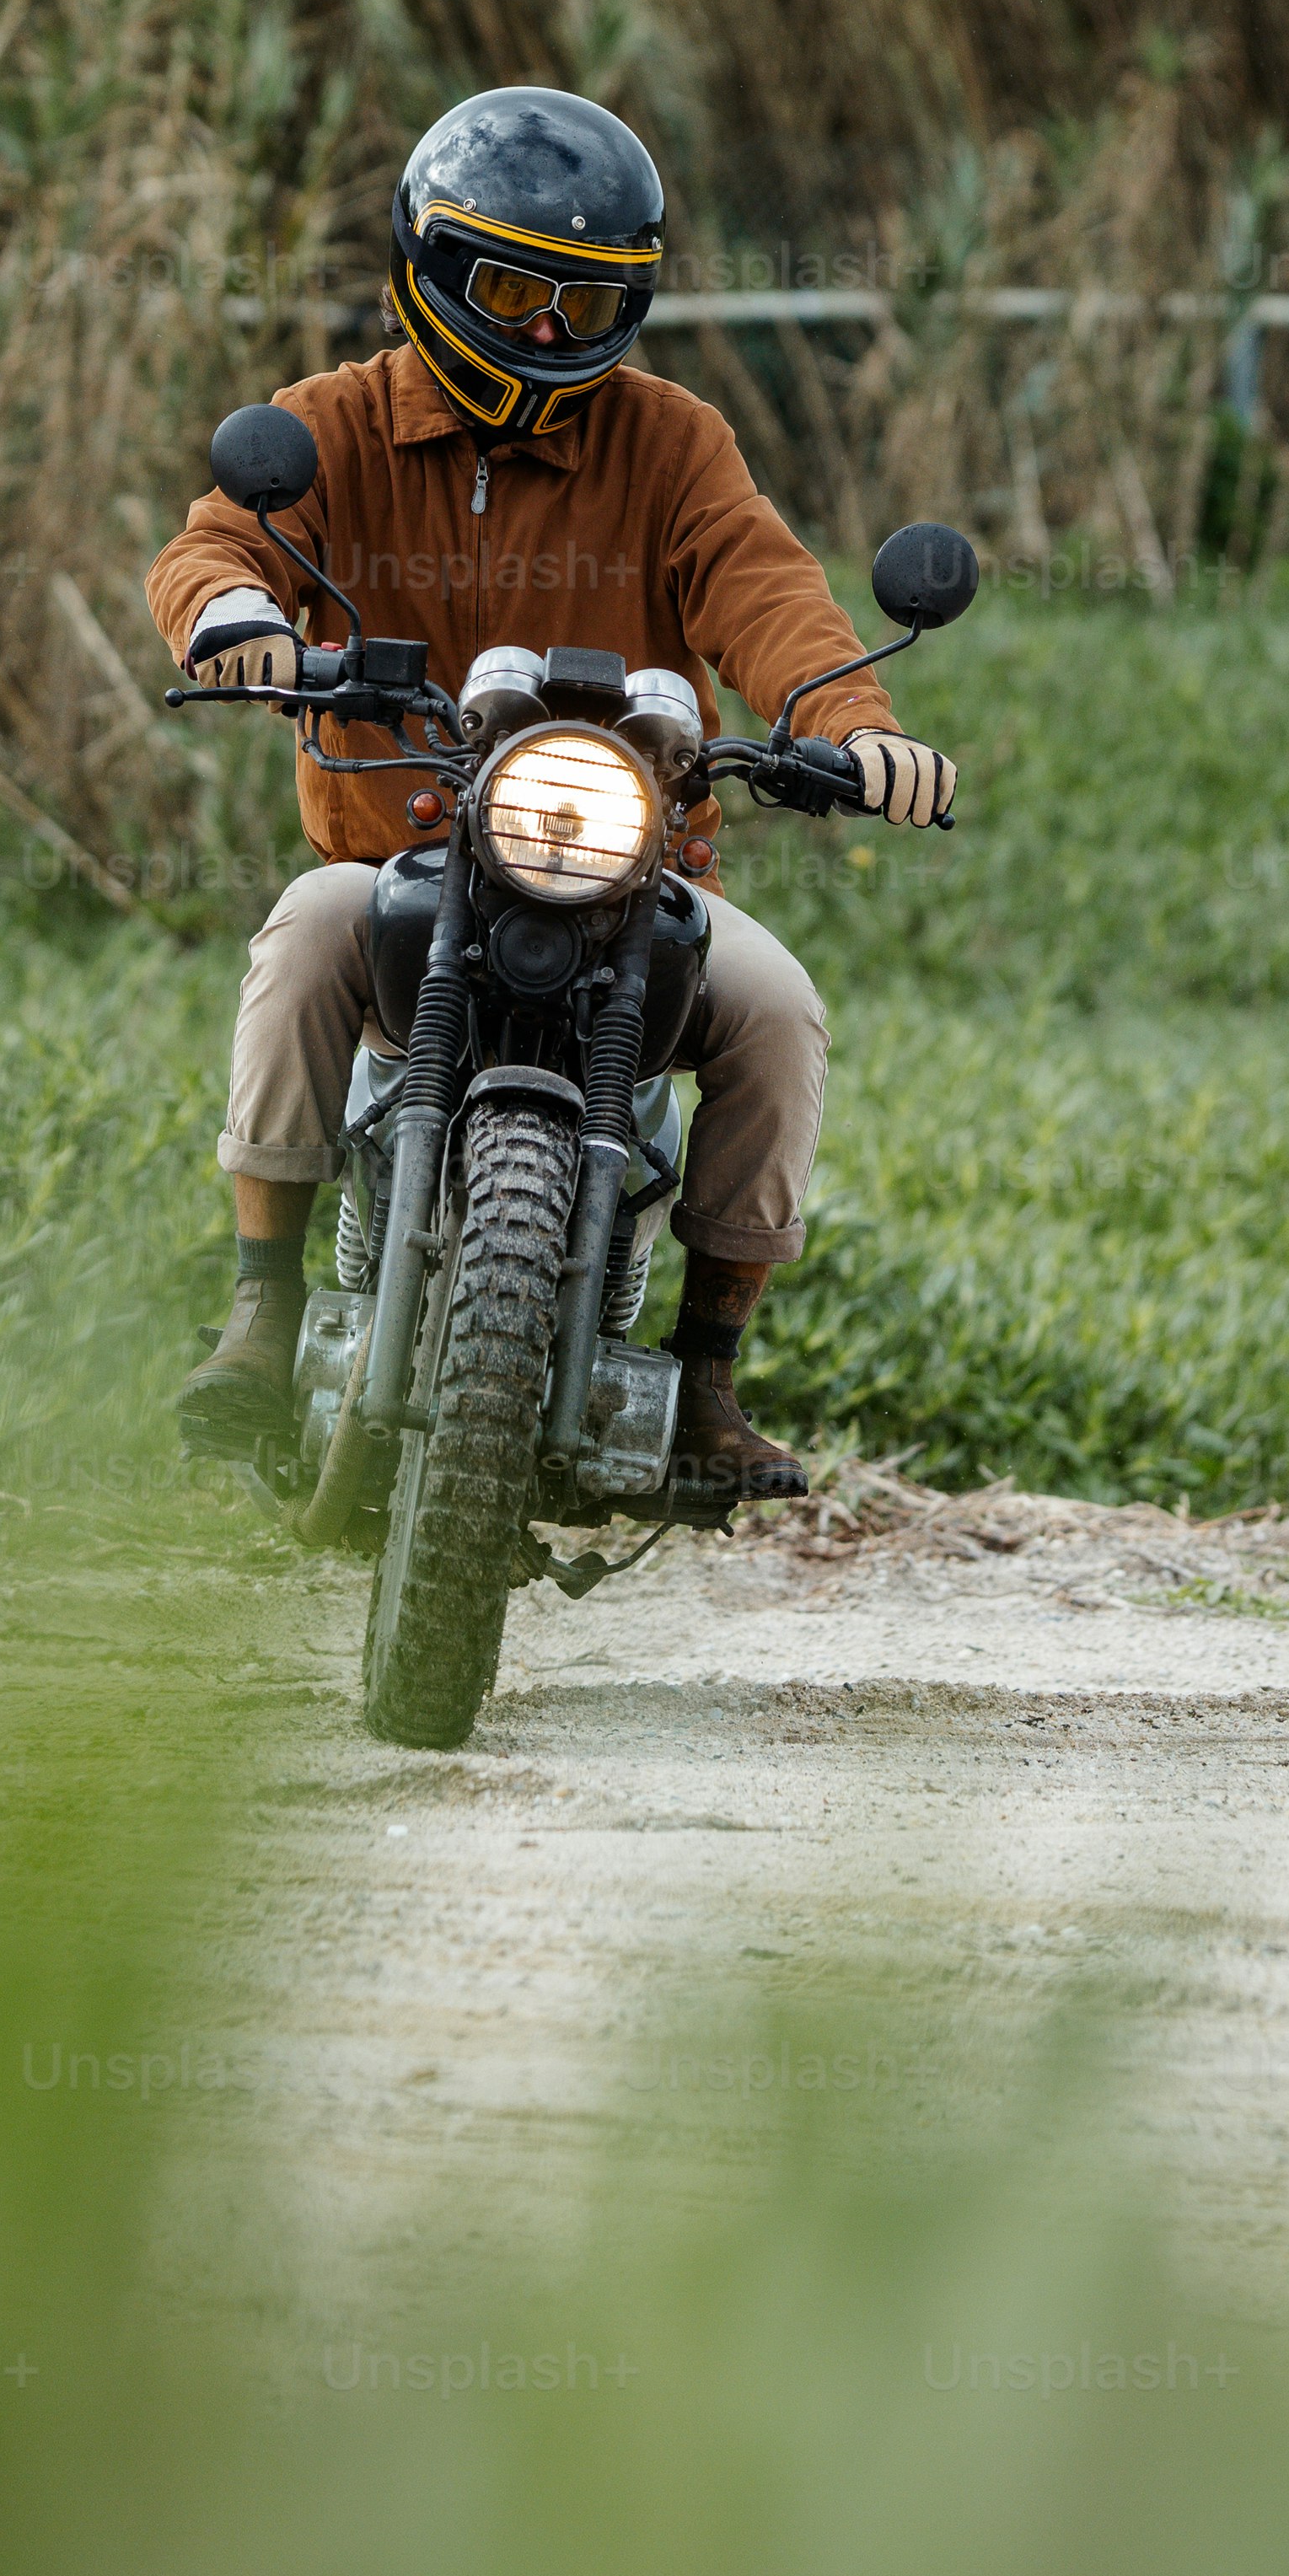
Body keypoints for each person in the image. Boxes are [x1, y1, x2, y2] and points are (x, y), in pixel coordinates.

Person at [142, 85, 955, 1511]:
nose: (539, 333)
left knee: (773, 1011)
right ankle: (261, 1310)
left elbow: (768, 596)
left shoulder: (672, 441)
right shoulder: (326, 424)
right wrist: (230, 619)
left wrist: (854, 723)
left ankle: (706, 1378)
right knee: (298, 940)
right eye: (510, 288)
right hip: (404, 857)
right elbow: (216, 546)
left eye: (580, 305)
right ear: (431, 269)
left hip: (634, 865)